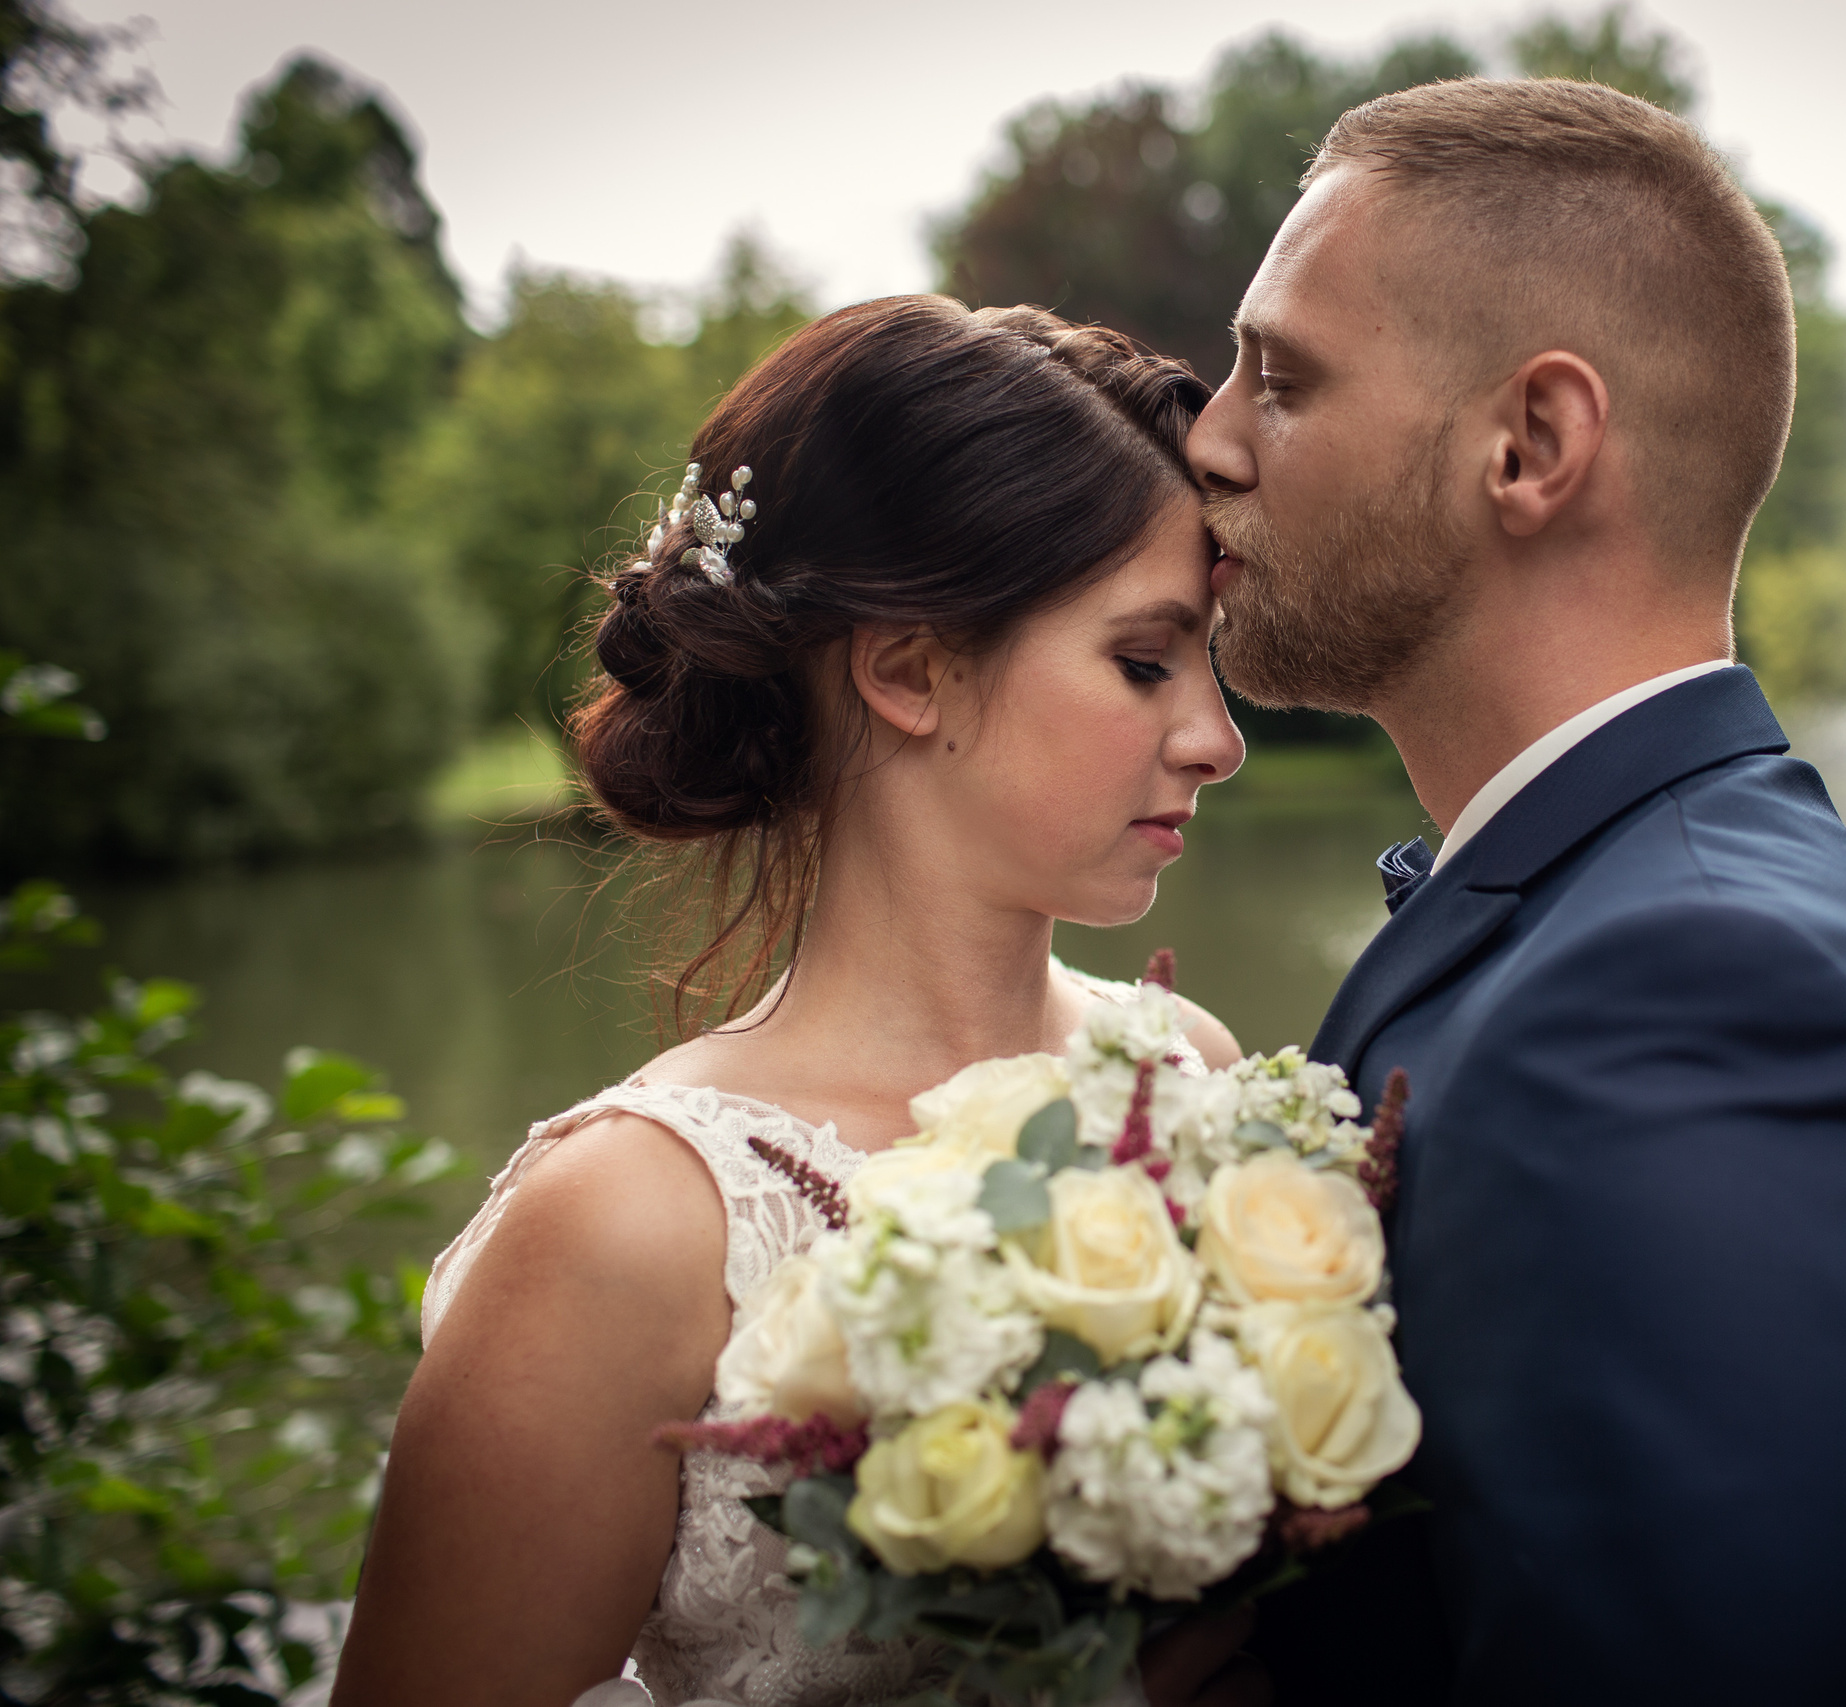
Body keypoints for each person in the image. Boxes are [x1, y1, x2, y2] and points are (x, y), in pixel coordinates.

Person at [1189, 79, 1846, 1704]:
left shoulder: (1699, 994)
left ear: (1530, 445)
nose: (1211, 439)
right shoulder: (1620, 913)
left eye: (1282, 380)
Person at [332, 299, 1270, 1707]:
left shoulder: (1186, 1077)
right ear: (905, 669)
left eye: (1207, 661)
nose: (1218, 738)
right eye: (1144, 663)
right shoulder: (634, 1224)